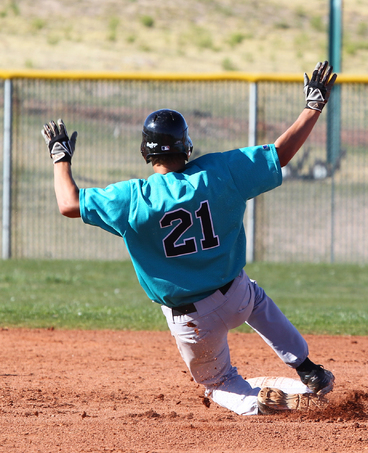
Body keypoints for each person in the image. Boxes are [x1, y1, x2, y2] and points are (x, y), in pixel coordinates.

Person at [43, 61, 338, 415]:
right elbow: (281, 154)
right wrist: (313, 105)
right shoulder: (219, 172)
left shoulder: (133, 198)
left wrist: (61, 156)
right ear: (186, 147)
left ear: (145, 152)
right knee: (257, 301)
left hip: (192, 319)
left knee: (219, 383)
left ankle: (261, 405)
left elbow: (68, 203)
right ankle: (307, 369)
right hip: (236, 294)